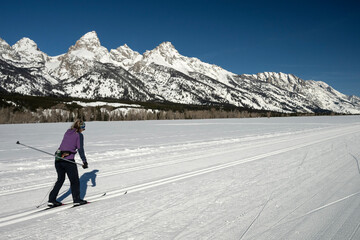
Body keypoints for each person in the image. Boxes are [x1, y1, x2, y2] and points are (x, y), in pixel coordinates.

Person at [48, 119, 89, 207]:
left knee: (60, 180)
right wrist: (84, 161)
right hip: (68, 161)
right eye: (83, 128)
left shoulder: (68, 131)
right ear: (80, 127)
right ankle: (77, 200)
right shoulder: (79, 135)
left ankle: (51, 200)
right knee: (74, 181)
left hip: (58, 159)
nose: (83, 130)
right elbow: (80, 149)